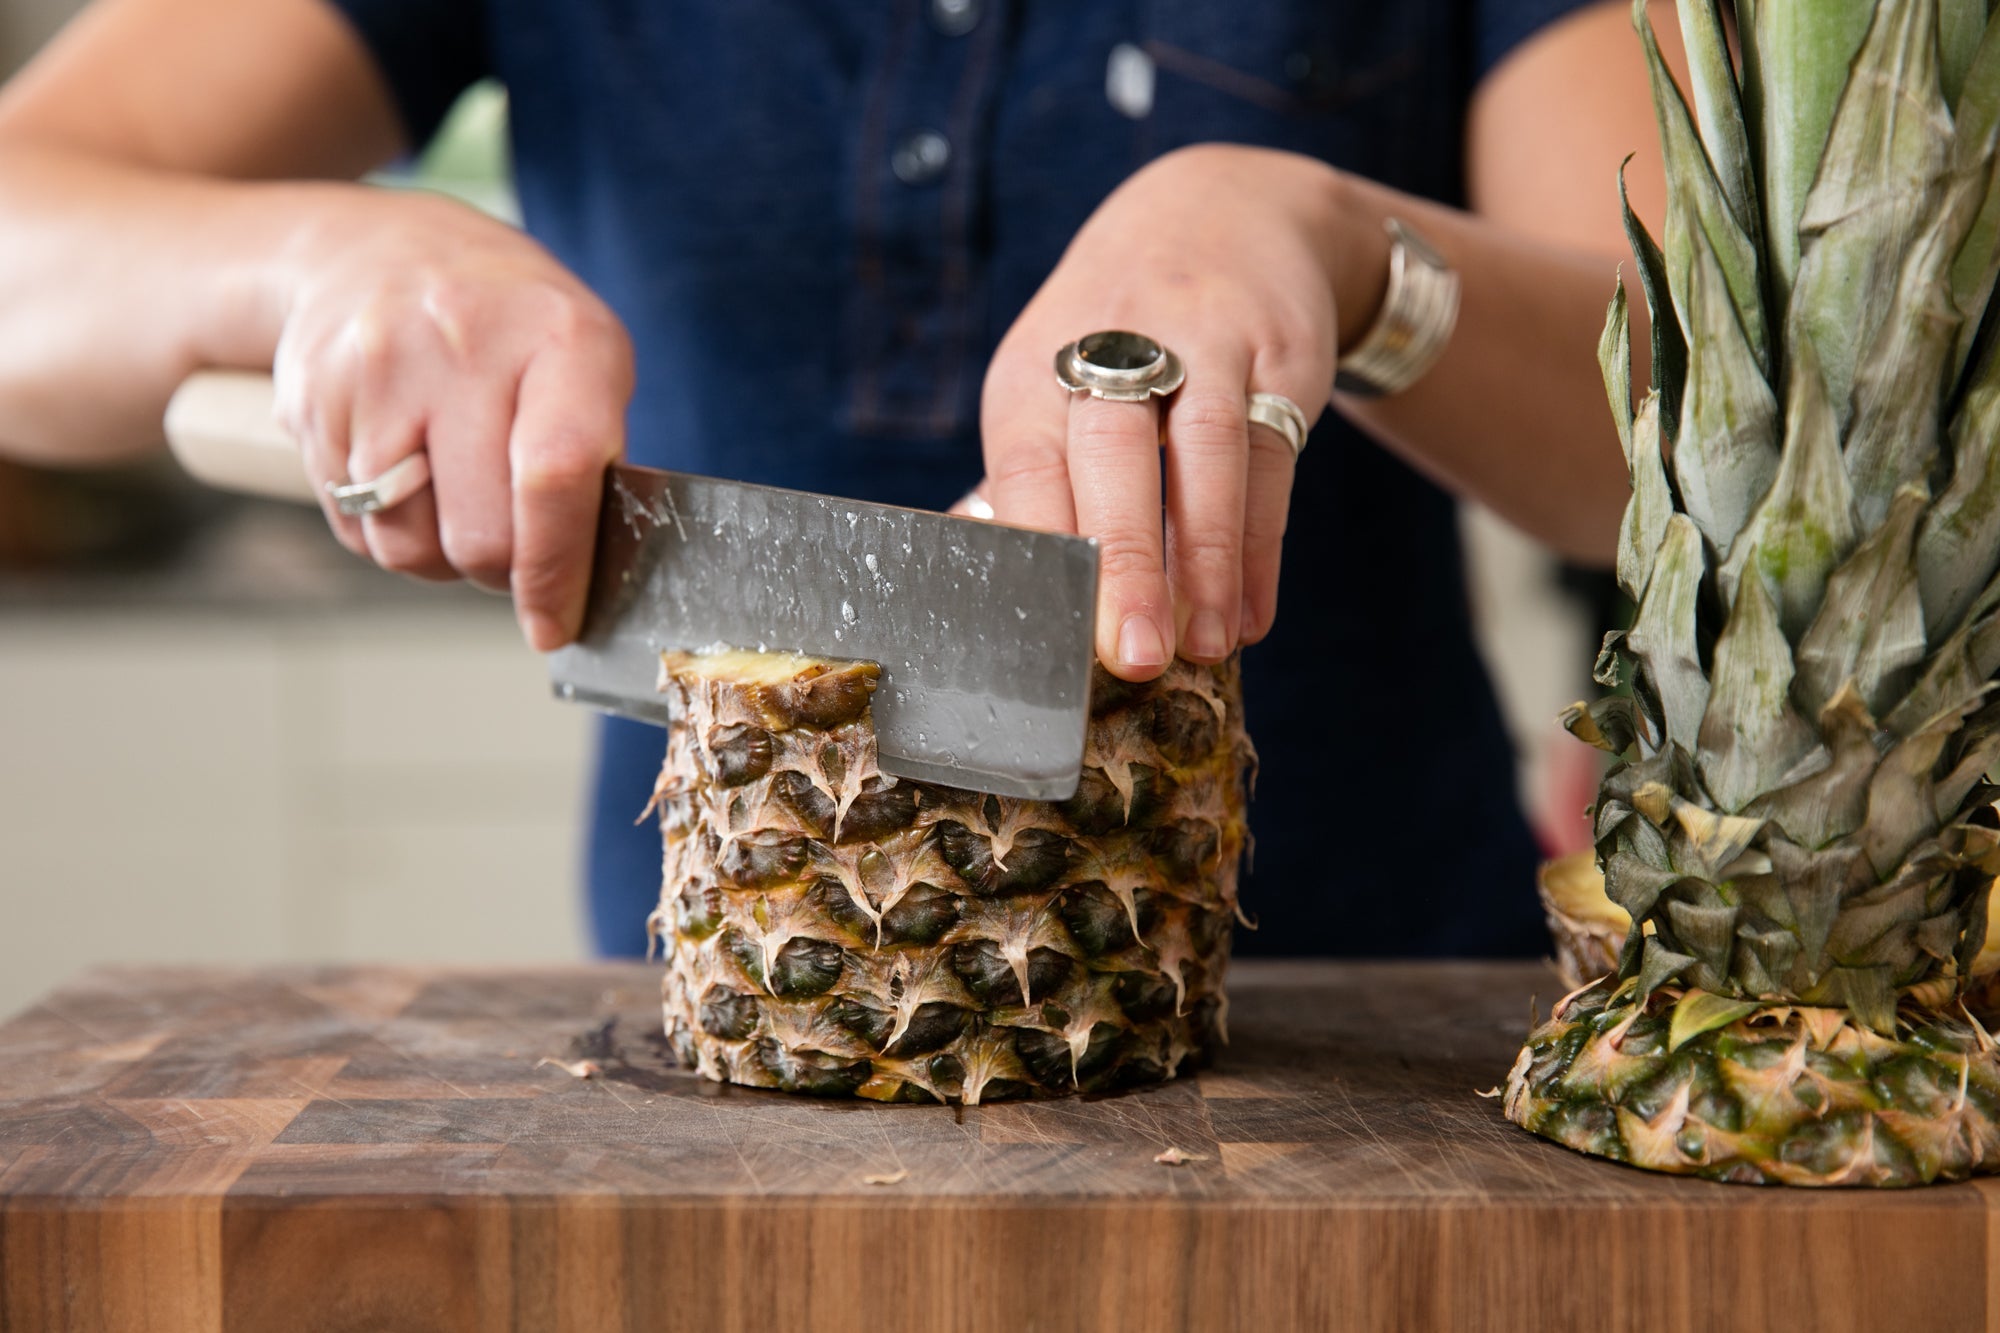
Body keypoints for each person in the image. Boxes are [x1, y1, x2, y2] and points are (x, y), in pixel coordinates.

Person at [0, 0, 1682, 958]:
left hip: (1368, 1028)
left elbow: (1697, 426)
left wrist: (1351, 250)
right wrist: (316, 263)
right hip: (742, 1022)